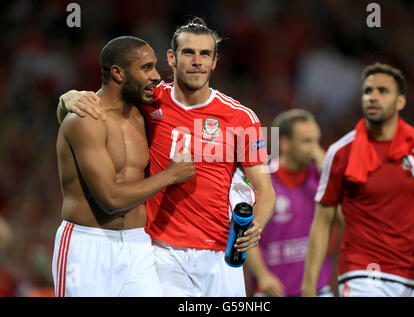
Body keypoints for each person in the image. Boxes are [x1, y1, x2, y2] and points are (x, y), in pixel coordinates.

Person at [58, 18, 276, 297]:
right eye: (189, 53)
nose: (197, 61)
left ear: (215, 62)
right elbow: (103, 102)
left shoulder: (244, 117)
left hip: (220, 255)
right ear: (172, 58)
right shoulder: (149, 101)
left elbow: (266, 190)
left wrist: (256, 226)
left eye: (205, 54)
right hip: (160, 253)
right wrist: (67, 98)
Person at [53, 36, 195, 297]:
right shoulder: (86, 119)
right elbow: (110, 198)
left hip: (138, 246)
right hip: (87, 247)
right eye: (146, 68)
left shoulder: (146, 113)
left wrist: (65, 99)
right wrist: (171, 175)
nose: (155, 76)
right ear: (117, 73)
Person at [302, 63, 414, 297]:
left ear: (400, 101)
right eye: (368, 91)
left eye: (383, 91)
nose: (373, 97)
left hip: (408, 277)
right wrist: (308, 288)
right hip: (362, 274)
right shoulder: (341, 153)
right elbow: (322, 222)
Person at [244, 109, 335, 297]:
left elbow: (345, 218)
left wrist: (329, 175)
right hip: (273, 291)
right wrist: (262, 276)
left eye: (316, 141)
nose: (315, 149)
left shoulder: (320, 178)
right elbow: (246, 233)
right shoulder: (263, 182)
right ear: (284, 143)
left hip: (318, 290)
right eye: (306, 142)